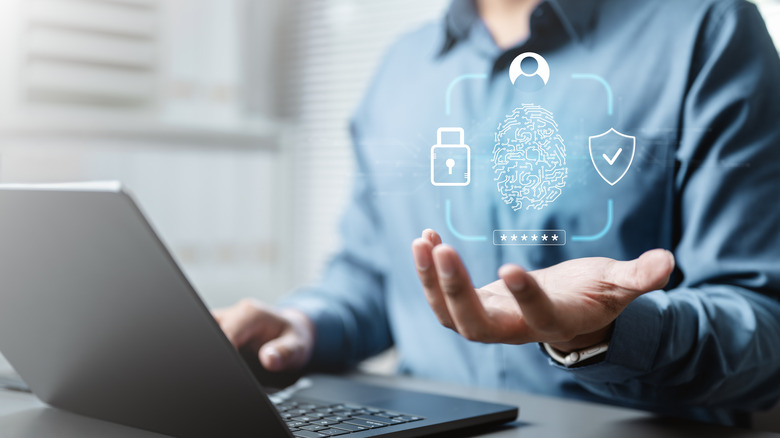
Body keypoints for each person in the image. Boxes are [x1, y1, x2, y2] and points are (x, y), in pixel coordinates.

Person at [214, 0, 780, 426]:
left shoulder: (705, 29)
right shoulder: (401, 67)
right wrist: (301, 325)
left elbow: (763, 323)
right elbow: (372, 277)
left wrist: (607, 333)